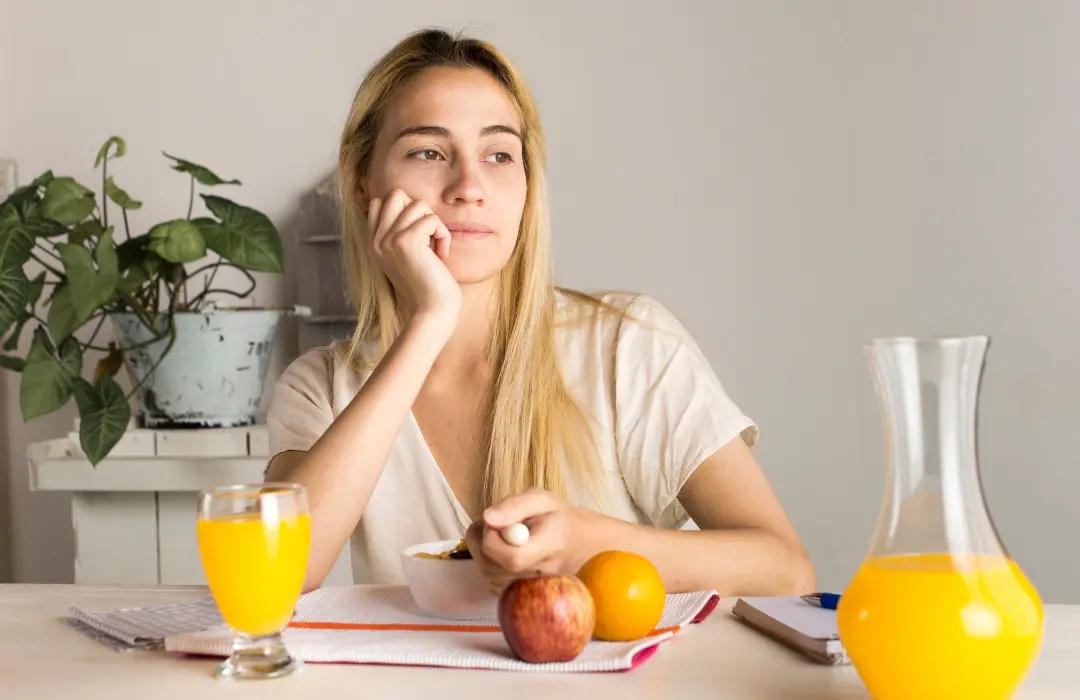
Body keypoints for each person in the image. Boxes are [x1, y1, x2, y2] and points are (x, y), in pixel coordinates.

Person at [266, 28, 815, 597]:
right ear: (361, 180)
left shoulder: (626, 346)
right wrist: (430, 321)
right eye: (428, 152)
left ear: (528, 182)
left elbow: (786, 569)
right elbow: (276, 576)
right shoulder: (321, 388)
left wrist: (587, 543)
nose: (469, 186)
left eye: (499, 154)